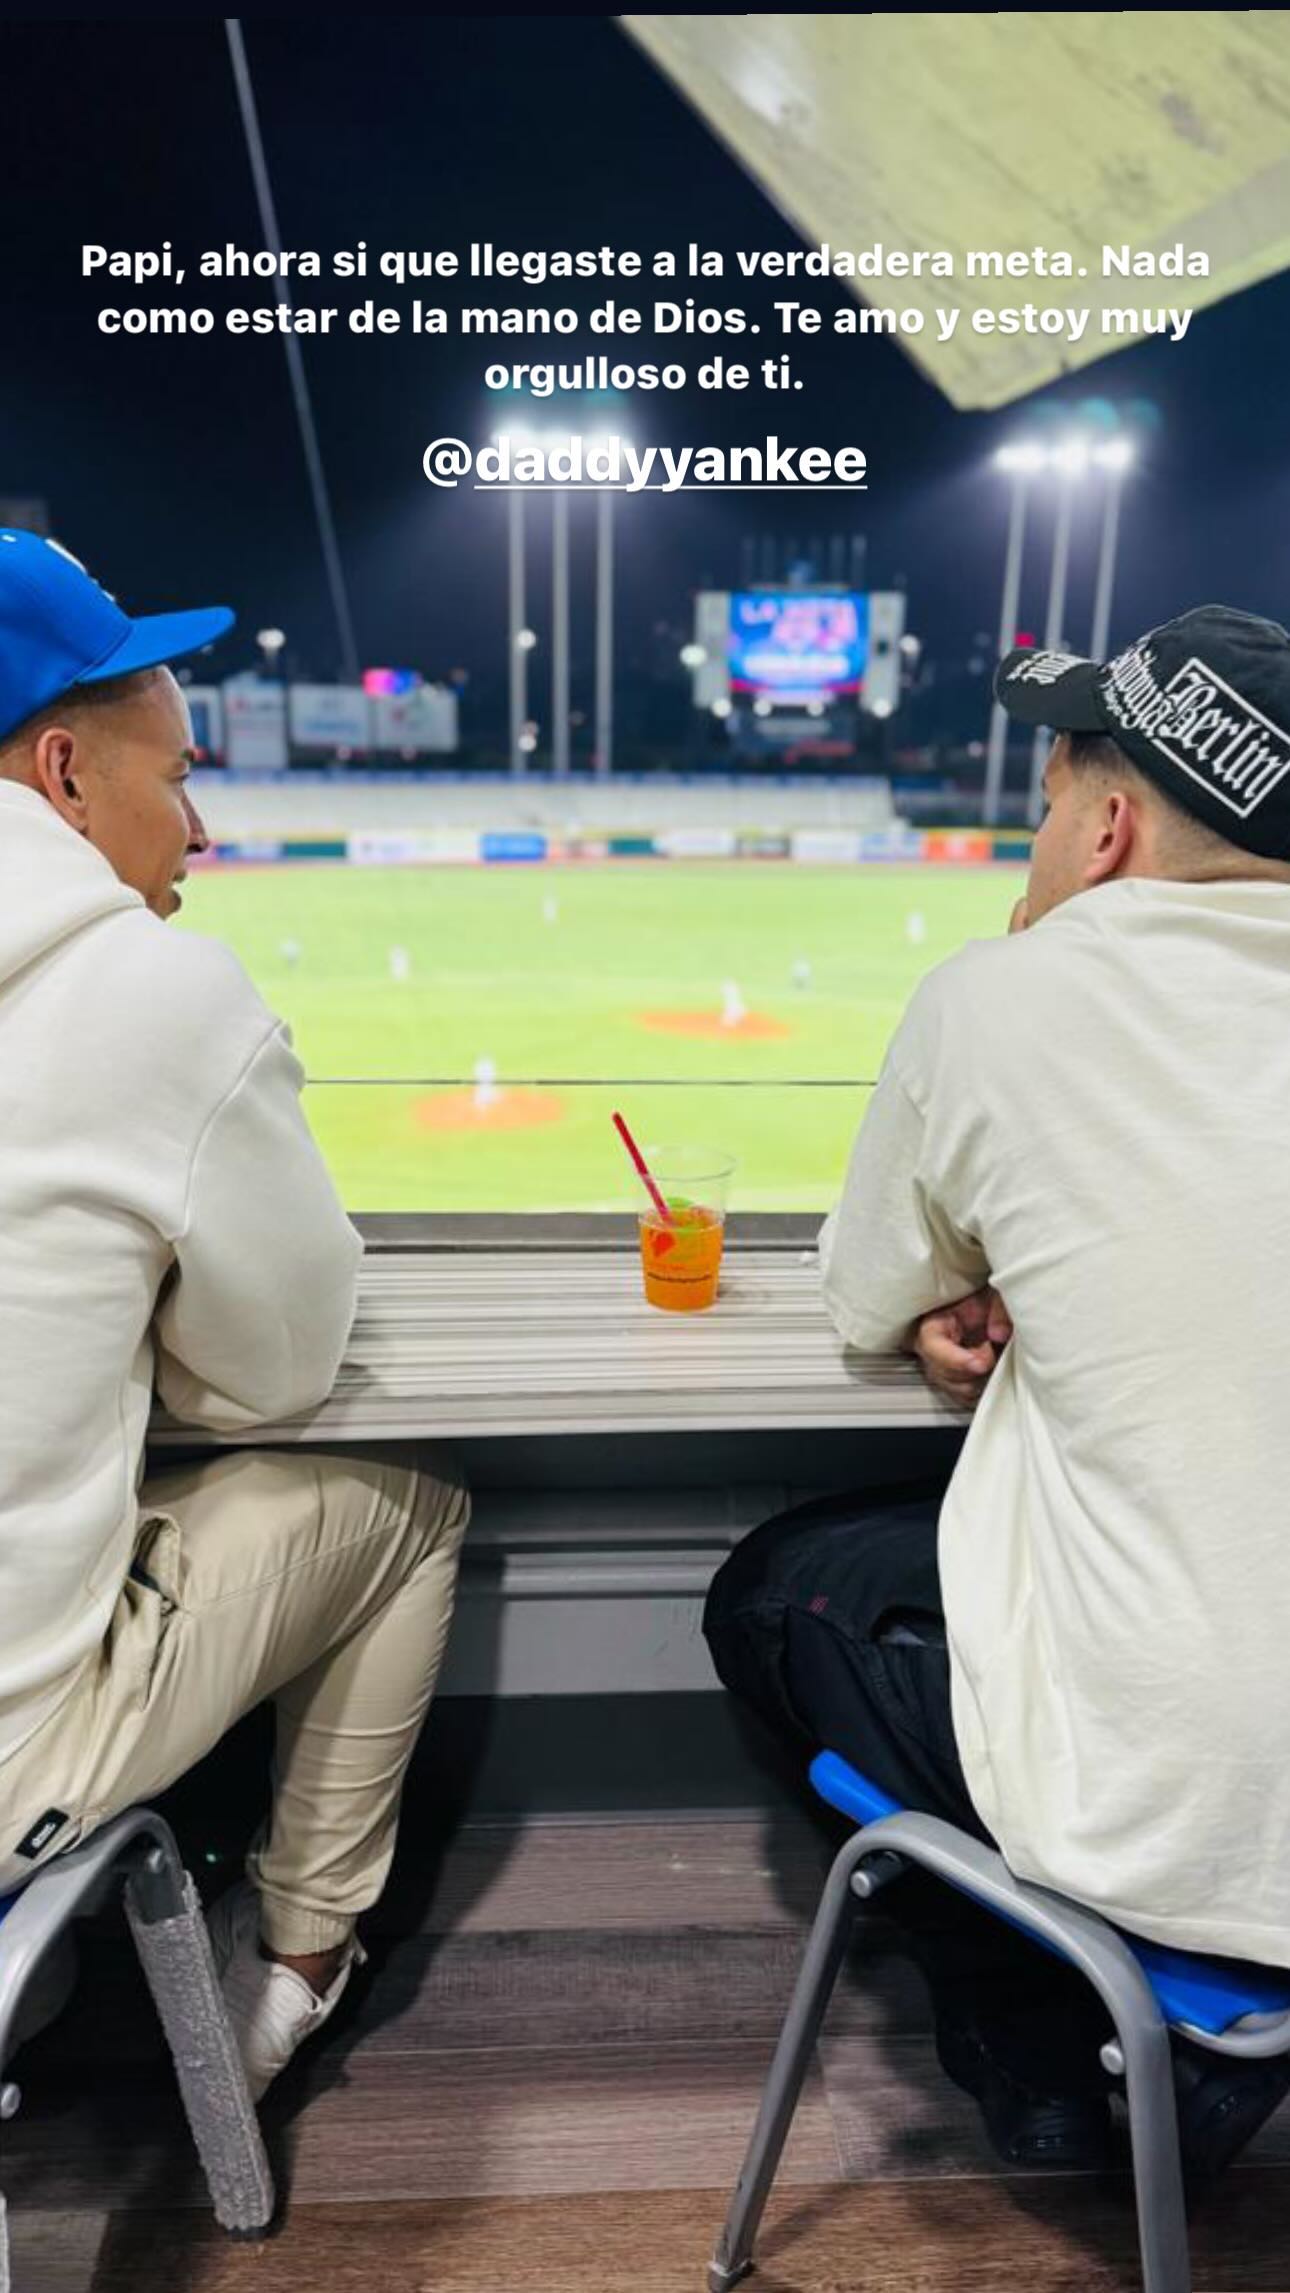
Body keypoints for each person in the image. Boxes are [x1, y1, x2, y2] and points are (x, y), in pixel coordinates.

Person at [706, 605, 1290, 2187]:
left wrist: (967, 1300)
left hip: (1200, 1833)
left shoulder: (999, 998)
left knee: (777, 1593)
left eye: (1042, 802)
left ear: (1107, 828)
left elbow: (862, 1286)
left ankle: (1035, 2030)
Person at [0, 531, 469, 2101]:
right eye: (177, 775)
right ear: (64, 772)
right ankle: (295, 1966)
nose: (195, 825)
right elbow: (274, 1376)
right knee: (406, 1506)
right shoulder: (154, 992)